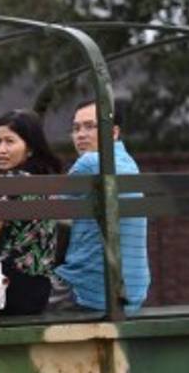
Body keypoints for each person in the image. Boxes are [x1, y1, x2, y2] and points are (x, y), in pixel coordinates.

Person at [50, 99, 150, 312]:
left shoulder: (90, 163)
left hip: (87, 292)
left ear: (113, 133)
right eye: (76, 128)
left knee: (10, 295)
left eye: (89, 126)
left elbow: (49, 211)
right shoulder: (129, 164)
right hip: (132, 295)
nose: (80, 135)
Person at [0, 109, 63, 316]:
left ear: (30, 148)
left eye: (10, 141)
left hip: (8, 287)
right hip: (39, 290)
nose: (1, 149)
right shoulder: (45, 180)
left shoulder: (9, 182)